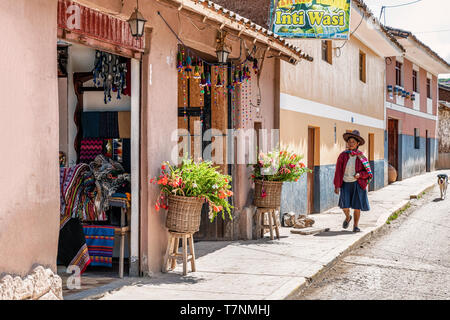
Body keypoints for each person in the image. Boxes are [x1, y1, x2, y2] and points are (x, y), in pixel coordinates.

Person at [333, 130, 373, 232]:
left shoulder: (361, 157)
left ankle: (355, 226)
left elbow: (368, 173)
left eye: (353, 142)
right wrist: (337, 186)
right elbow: (338, 171)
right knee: (344, 206)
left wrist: (360, 175)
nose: (350, 144)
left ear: (358, 144)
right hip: (345, 183)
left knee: (357, 207)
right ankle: (347, 217)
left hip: (358, 184)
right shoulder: (343, 155)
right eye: (349, 142)